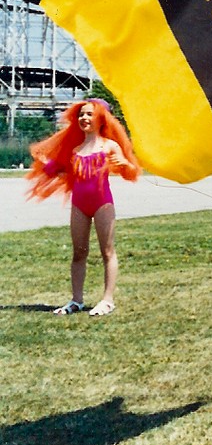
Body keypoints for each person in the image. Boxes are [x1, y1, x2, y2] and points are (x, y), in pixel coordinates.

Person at [26, 99, 141, 317]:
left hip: (102, 203)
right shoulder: (75, 149)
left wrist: (124, 163)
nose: (84, 118)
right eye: (81, 114)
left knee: (107, 251)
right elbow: (66, 173)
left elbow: (130, 171)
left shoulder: (109, 146)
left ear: (101, 118)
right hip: (79, 204)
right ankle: (76, 300)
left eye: (89, 114)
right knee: (79, 253)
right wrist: (45, 163)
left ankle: (107, 300)